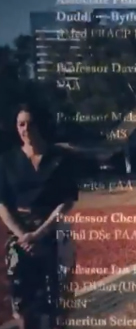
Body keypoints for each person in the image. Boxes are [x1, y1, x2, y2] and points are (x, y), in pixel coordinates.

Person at [0, 104, 79, 328]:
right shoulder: (7, 161)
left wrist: (39, 233)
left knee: (59, 303)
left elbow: (67, 200)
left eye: (30, 123)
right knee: (23, 303)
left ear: (40, 125)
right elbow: (2, 204)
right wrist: (24, 236)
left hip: (53, 233)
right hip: (20, 239)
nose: (26, 129)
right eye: (21, 124)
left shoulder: (59, 158)